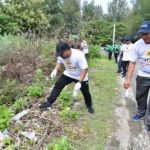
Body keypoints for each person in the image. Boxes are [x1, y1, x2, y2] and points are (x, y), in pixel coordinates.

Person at [40, 41, 94, 114]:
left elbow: (85, 69)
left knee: (86, 92)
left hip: (81, 76)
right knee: (58, 85)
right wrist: (55, 70)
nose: (61, 56)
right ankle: (49, 103)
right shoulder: (61, 56)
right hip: (68, 74)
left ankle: (89, 105)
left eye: (61, 54)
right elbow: (59, 63)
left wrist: (79, 82)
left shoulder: (78, 55)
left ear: (67, 50)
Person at [124, 21, 150, 132]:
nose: (143, 36)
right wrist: (128, 79)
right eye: (142, 34)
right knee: (140, 96)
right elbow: (132, 62)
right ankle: (141, 113)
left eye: (146, 33)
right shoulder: (137, 45)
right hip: (143, 75)